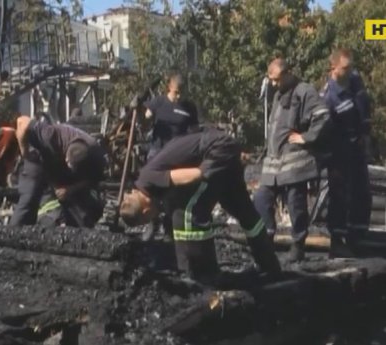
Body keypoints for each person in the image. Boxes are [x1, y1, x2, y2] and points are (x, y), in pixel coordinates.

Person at [119, 128, 281, 284]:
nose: (154, 217)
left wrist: (207, 173)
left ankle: (202, 272)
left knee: (188, 210)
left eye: (147, 219)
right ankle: (269, 265)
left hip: (216, 150)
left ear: (146, 209)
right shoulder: (146, 182)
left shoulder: (150, 178)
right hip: (222, 147)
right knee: (241, 208)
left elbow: (193, 175)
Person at [253, 58, 332, 262]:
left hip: (295, 161)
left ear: (288, 73)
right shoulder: (279, 94)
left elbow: (323, 115)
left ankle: (298, 245)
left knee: (296, 203)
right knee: (262, 199)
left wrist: (306, 137)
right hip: (274, 162)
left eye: (276, 79)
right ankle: (268, 238)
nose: (273, 84)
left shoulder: (305, 91)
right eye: (270, 80)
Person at [321, 48, 372, 257]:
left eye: (351, 67)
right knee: (340, 196)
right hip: (339, 153)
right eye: (345, 68)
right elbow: (324, 131)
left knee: (362, 193)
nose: (350, 71)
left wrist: (365, 134)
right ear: (333, 68)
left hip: (356, 147)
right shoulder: (328, 97)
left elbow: (363, 106)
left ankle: (358, 236)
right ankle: (337, 240)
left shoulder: (354, 80)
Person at [138, 72, 200, 242]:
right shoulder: (159, 102)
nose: (179, 96)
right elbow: (144, 116)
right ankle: (151, 222)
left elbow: (194, 132)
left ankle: (169, 228)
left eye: (182, 92)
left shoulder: (189, 108)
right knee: (152, 190)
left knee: (173, 193)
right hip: (158, 152)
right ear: (169, 88)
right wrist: (145, 115)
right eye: (176, 92)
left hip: (178, 154)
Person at [16, 115, 106, 228]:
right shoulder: (49, 134)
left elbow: (93, 180)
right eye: (69, 165)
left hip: (60, 167)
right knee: (29, 196)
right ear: (66, 155)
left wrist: (70, 189)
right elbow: (21, 121)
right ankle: (14, 230)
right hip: (38, 156)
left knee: (83, 203)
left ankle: (74, 227)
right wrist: (24, 152)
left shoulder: (96, 156)